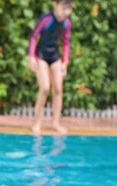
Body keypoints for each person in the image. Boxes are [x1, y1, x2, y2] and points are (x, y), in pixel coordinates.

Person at [28, 0, 73, 135]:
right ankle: (36, 123)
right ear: (55, 4)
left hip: (55, 57)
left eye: (68, 8)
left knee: (58, 89)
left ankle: (55, 123)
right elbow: (34, 37)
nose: (65, 11)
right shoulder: (46, 18)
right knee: (45, 88)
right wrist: (31, 57)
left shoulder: (66, 23)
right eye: (63, 7)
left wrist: (65, 62)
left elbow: (66, 42)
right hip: (41, 56)